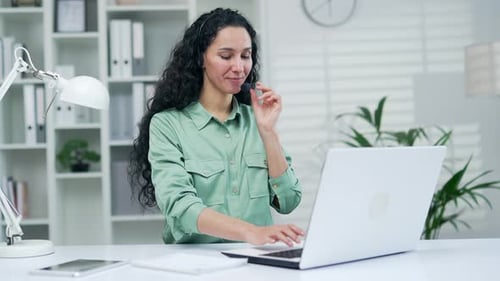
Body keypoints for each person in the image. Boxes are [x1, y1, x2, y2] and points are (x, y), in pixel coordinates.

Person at [128, 8, 303, 246]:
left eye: (245, 55)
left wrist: (268, 133)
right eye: (226, 56)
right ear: (201, 58)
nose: (239, 67)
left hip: (256, 260)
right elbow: (180, 207)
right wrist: (249, 231)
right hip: (194, 263)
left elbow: (289, 201)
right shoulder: (167, 124)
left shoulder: (258, 121)